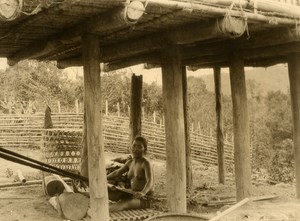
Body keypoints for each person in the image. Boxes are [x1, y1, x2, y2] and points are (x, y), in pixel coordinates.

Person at [107, 135, 154, 211]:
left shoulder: (145, 163)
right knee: (111, 194)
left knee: (123, 204)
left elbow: (150, 180)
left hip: (145, 198)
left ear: (145, 149)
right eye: (134, 146)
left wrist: (143, 192)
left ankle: (98, 214)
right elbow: (117, 172)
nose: (136, 149)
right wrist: (103, 178)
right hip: (132, 193)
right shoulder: (130, 162)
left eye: (139, 147)